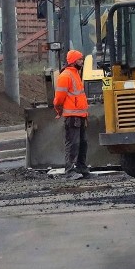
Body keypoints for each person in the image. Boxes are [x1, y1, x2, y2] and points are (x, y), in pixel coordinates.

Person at [53, 50, 90, 180]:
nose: (82, 62)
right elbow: (58, 99)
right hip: (72, 117)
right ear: (74, 61)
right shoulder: (66, 76)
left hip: (80, 116)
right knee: (73, 143)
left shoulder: (75, 74)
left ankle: (81, 167)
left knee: (82, 143)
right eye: (80, 60)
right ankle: (70, 170)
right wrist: (58, 110)